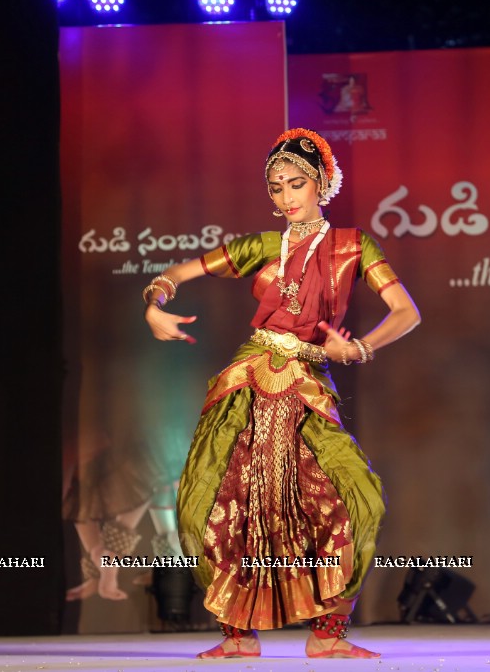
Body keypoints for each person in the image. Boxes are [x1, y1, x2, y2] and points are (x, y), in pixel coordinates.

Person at [143, 128, 420, 659]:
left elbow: (407, 312)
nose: (287, 197)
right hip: (247, 381)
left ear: (322, 183)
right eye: (276, 187)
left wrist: (359, 348)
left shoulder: (353, 246)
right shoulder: (262, 247)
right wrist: (155, 304)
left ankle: (328, 635)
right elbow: (175, 274)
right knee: (216, 498)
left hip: (308, 382)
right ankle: (237, 637)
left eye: (297, 184)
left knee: (356, 497)